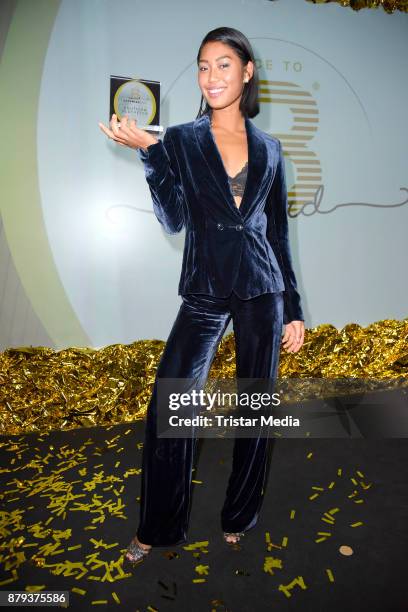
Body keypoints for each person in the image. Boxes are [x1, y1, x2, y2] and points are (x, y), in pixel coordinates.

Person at [99, 26, 305, 564]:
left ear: (247, 72)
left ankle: (239, 516)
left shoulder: (271, 149)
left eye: (222, 65)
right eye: (203, 66)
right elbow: (173, 219)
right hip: (205, 291)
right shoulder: (184, 139)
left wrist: (296, 311)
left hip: (264, 291)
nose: (211, 76)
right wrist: (151, 153)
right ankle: (158, 528)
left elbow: (277, 234)